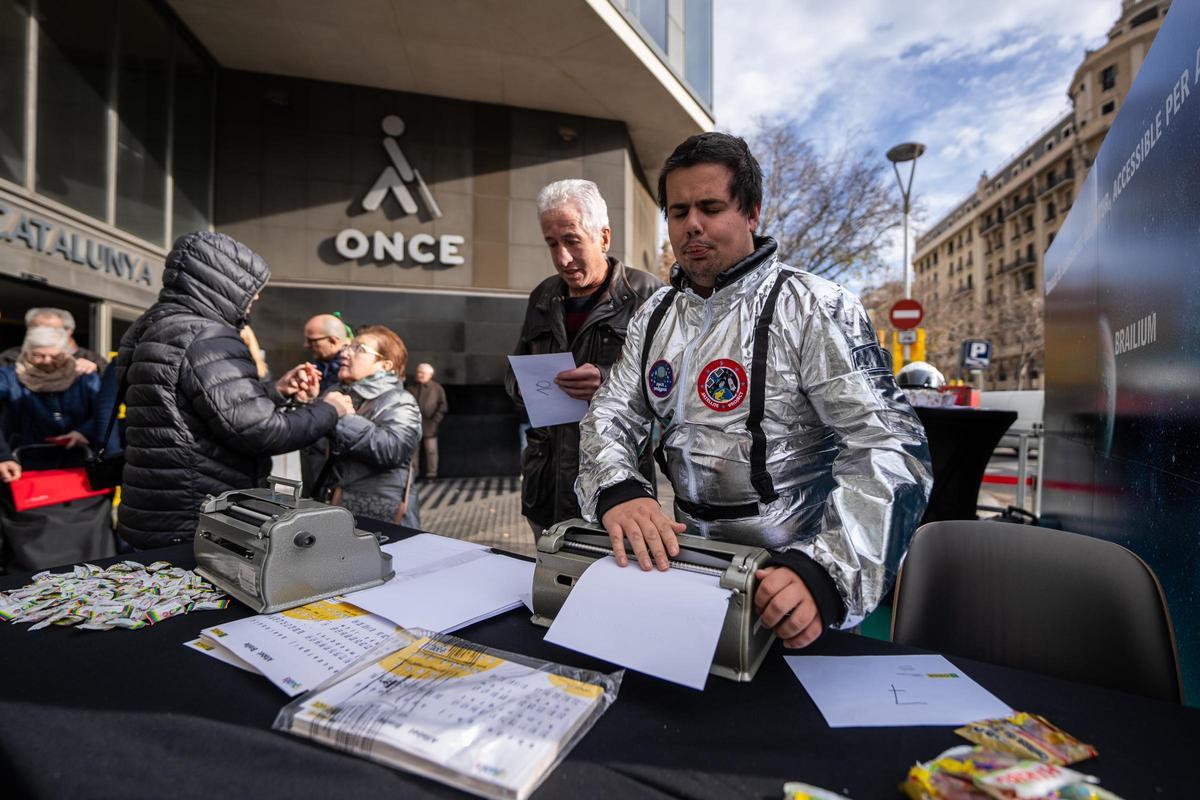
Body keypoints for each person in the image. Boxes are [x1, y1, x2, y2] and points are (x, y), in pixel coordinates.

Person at [576, 132, 933, 648]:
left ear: (752, 212)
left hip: (789, 581)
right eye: (678, 212)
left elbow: (890, 447)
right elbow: (611, 413)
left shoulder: (815, 307)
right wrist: (619, 491)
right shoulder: (653, 316)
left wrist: (825, 575)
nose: (691, 224)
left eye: (710, 206)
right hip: (681, 567)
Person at [114, 231, 347, 549]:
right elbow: (262, 431)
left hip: (158, 511)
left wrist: (275, 391)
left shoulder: (154, 326)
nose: (256, 297)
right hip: (198, 516)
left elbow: (201, 408)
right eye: (253, 288)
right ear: (227, 282)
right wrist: (330, 408)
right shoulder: (207, 335)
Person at [505, 179, 663, 536]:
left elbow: (670, 389)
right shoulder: (542, 296)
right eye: (552, 244)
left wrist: (607, 381)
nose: (562, 258)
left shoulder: (648, 295)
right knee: (548, 589)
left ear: (604, 238)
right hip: (545, 491)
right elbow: (512, 380)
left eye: (572, 241)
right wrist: (531, 386)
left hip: (615, 493)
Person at [0, 325, 112, 569]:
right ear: (25, 352)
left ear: (67, 352)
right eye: (38, 355)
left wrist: (83, 431)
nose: (46, 361)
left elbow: (104, 411)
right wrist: (3, 455)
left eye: (54, 355)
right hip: (26, 475)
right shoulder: (8, 376)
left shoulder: (85, 376)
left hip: (78, 476)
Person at [314, 326, 423, 529]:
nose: (345, 353)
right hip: (335, 510)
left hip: (379, 519)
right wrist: (310, 405)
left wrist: (342, 417)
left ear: (384, 365)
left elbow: (394, 449)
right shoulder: (337, 393)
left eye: (359, 348)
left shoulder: (399, 400)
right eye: (347, 347)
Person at [299, 313, 350, 495]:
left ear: (334, 341)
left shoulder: (351, 374)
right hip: (314, 457)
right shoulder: (317, 365)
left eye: (312, 341)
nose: (306, 346)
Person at [0, 308, 107, 375]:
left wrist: (96, 370)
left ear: (68, 331)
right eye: (34, 328)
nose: (41, 334)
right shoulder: (10, 357)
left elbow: (112, 387)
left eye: (49, 330)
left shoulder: (91, 359)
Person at [407, 362, 447, 479]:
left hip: (430, 425)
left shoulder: (437, 388)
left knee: (431, 450)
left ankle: (432, 473)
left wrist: (435, 420)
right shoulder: (411, 388)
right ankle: (414, 474)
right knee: (413, 451)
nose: (420, 375)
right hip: (414, 425)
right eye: (419, 372)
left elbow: (443, 406)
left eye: (423, 373)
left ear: (430, 375)